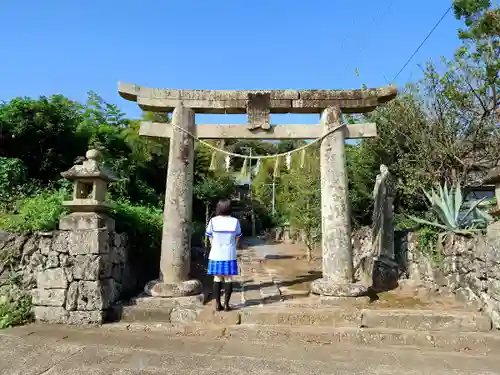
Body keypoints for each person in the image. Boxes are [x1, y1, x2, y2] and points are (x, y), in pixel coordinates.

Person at [205, 199, 242, 311]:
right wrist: (233, 246)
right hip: (229, 254)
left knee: (217, 277)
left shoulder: (213, 221)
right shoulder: (235, 221)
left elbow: (209, 236)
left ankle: (217, 304)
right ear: (230, 208)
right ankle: (226, 304)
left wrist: (214, 246)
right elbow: (237, 237)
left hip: (216, 253)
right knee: (228, 278)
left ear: (219, 207)